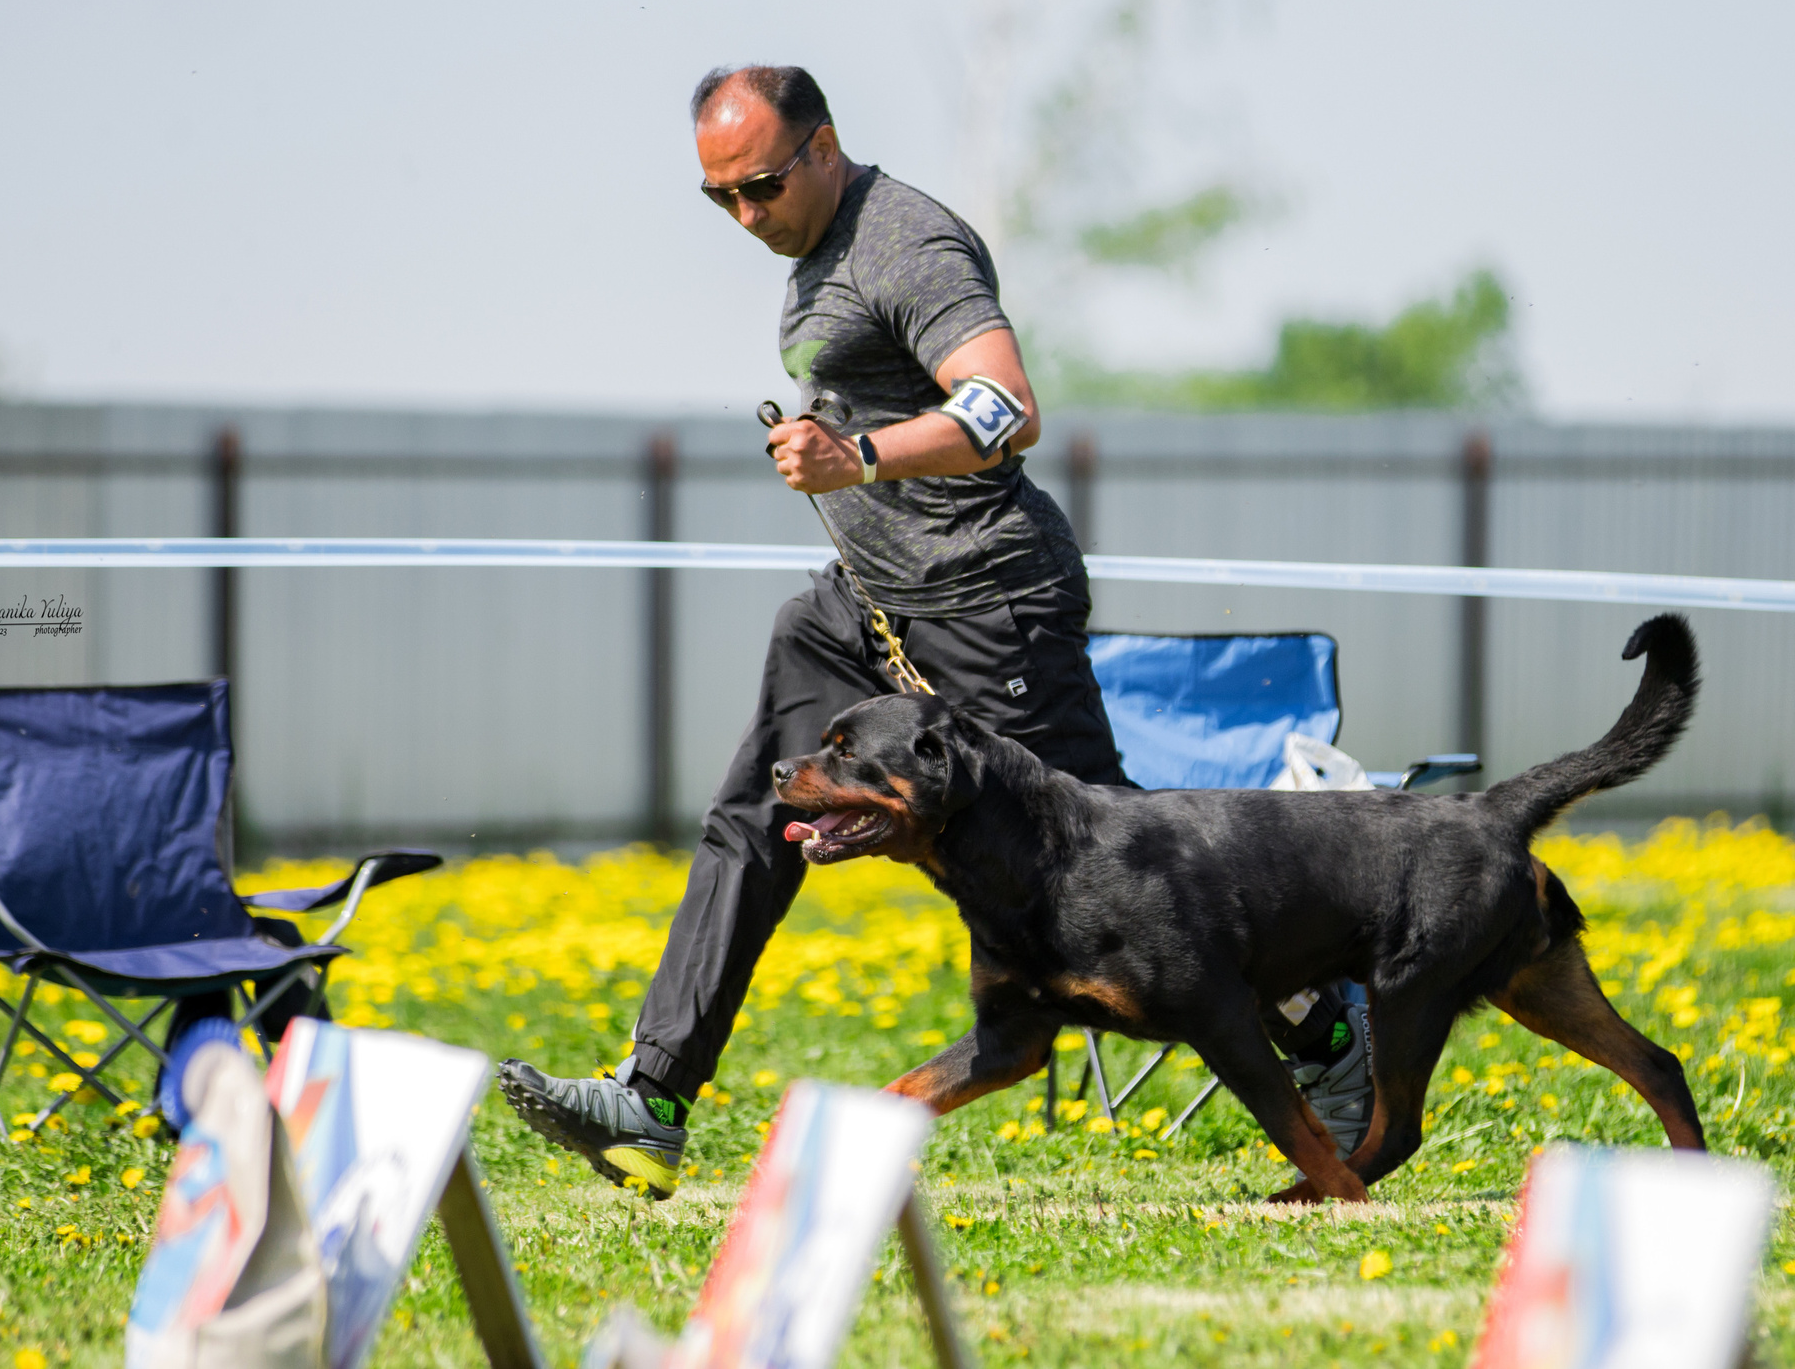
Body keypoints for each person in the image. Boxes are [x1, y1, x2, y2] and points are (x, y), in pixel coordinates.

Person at [497, 65, 1372, 1198]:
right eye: (719, 199)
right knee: (757, 811)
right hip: (861, 606)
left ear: (823, 147)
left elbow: (1006, 409)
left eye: (760, 186)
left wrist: (857, 455)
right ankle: (653, 1093)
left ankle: (1323, 1028)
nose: (745, 217)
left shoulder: (906, 244)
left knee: (1121, 879)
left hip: (984, 601)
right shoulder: (811, 250)